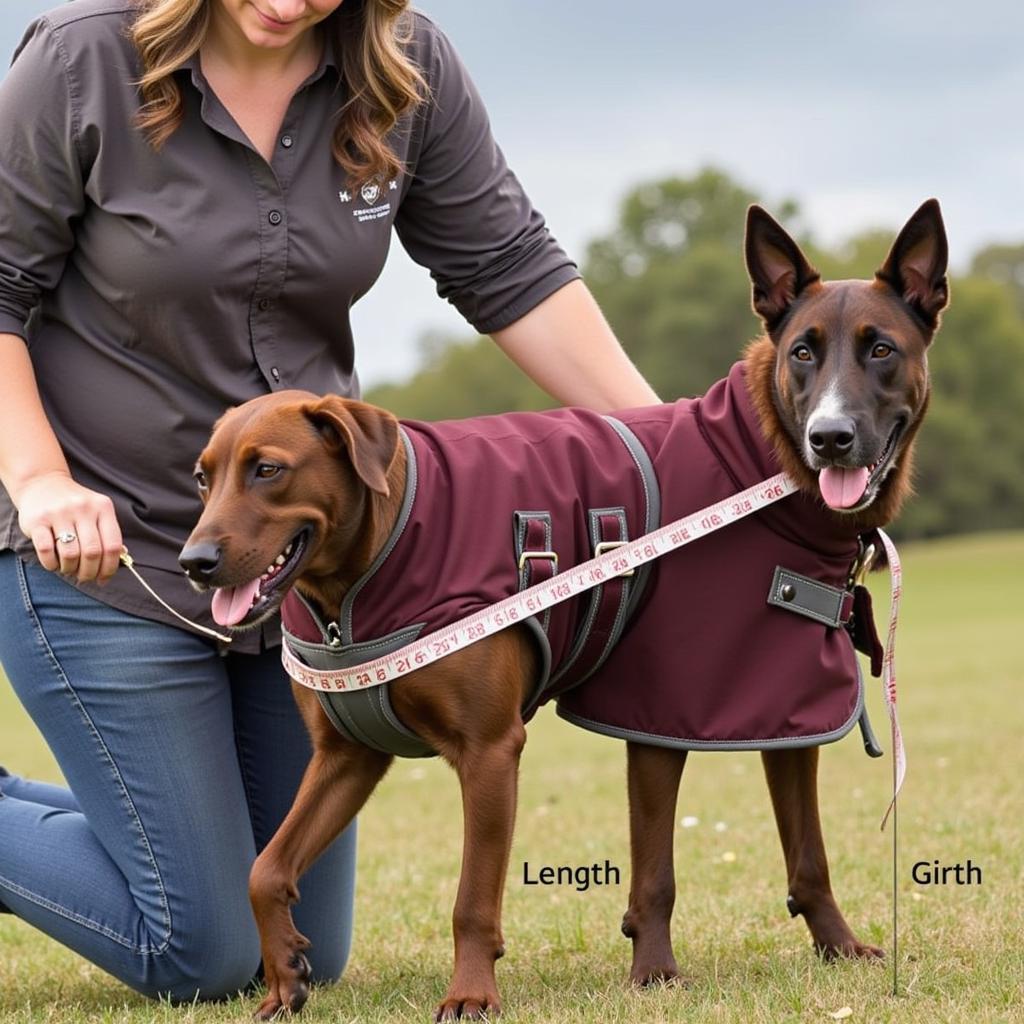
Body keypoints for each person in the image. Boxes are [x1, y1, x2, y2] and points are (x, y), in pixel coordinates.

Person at [0, 0, 659, 1004]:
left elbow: (508, 267)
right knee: (207, 950)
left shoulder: (404, 66)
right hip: (107, 556)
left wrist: (681, 455)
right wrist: (41, 478)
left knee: (306, 934)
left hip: (301, 574)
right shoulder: (83, 59)